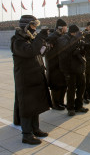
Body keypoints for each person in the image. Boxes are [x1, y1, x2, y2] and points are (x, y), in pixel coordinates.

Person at [11, 15, 52, 145]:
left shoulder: (29, 38)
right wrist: (40, 38)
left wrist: (45, 44)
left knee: (36, 105)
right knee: (27, 107)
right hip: (26, 79)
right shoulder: (17, 40)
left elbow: (39, 52)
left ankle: (35, 129)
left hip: (35, 76)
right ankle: (26, 134)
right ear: (26, 26)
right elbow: (31, 52)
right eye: (33, 25)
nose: (35, 28)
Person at [57, 24, 89, 116]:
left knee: (81, 87)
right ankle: (70, 108)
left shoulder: (77, 38)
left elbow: (80, 49)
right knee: (71, 89)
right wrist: (77, 38)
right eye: (77, 33)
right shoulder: (63, 39)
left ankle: (79, 106)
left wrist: (85, 46)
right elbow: (68, 49)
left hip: (79, 67)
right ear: (73, 32)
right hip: (69, 68)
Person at [45, 19, 68, 110]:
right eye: (65, 27)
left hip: (62, 64)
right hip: (54, 65)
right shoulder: (52, 36)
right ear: (61, 27)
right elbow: (48, 47)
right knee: (56, 86)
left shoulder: (63, 35)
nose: (66, 28)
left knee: (63, 85)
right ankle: (55, 104)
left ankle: (61, 102)